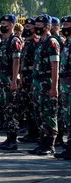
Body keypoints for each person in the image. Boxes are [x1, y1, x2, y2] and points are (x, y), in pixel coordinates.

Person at [29, 14, 60, 156]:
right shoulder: (40, 42)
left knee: (48, 113)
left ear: (47, 26)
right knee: (39, 113)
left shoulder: (51, 42)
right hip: (37, 83)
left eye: (40, 26)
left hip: (47, 82)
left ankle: (50, 144)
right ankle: (42, 142)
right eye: (36, 25)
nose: (37, 28)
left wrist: (54, 87)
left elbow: (55, 66)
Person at [0, 14, 22, 151]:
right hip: (3, 78)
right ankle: (7, 138)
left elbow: (16, 61)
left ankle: (12, 139)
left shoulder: (14, 40)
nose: (2, 25)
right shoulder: (2, 41)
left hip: (11, 78)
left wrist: (14, 81)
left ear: (12, 25)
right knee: (5, 109)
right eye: (2, 23)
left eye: (5, 23)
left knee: (12, 109)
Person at [17, 18, 40, 143]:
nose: (26, 29)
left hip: (32, 77)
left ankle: (35, 133)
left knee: (33, 105)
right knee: (27, 105)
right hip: (25, 77)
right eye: (25, 26)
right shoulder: (26, 42)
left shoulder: (36, 42)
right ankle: (31, 132)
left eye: (29, 27)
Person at [55, 16, 71, 159]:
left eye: (67, 25)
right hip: (65, 83)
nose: (64, 28)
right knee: (66, 115)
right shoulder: (66, 44)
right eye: (63, 25)